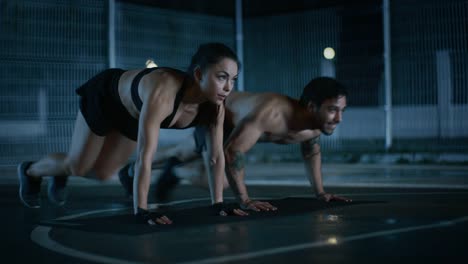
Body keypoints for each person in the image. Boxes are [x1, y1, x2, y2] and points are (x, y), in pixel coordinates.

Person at [17, 42, 245, 224]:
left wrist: (218, 204)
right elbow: (145, 157)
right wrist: (142, 211)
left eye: (233, 79)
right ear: (198, 74)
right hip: (106, 98)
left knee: (104, 174)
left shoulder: (216, 106)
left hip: (131, 115)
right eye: (221, 77)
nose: (228, 87)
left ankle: (60, 169)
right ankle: (31, 171)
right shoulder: (163, 92)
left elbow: (215, 157)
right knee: (78, 166)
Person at [119, 77, 352, 212]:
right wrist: (245, 200)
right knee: (220, 179)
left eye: (341, 110)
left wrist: (320, 193)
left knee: (184, 151)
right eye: (332, 110)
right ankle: (177, 172)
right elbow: (233, 152)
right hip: (220, 114)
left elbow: (311, 153)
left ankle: (131, 170)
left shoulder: (314, 125)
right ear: (312, 106)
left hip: (235, 120)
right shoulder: (271, 114)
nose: (339, 119)